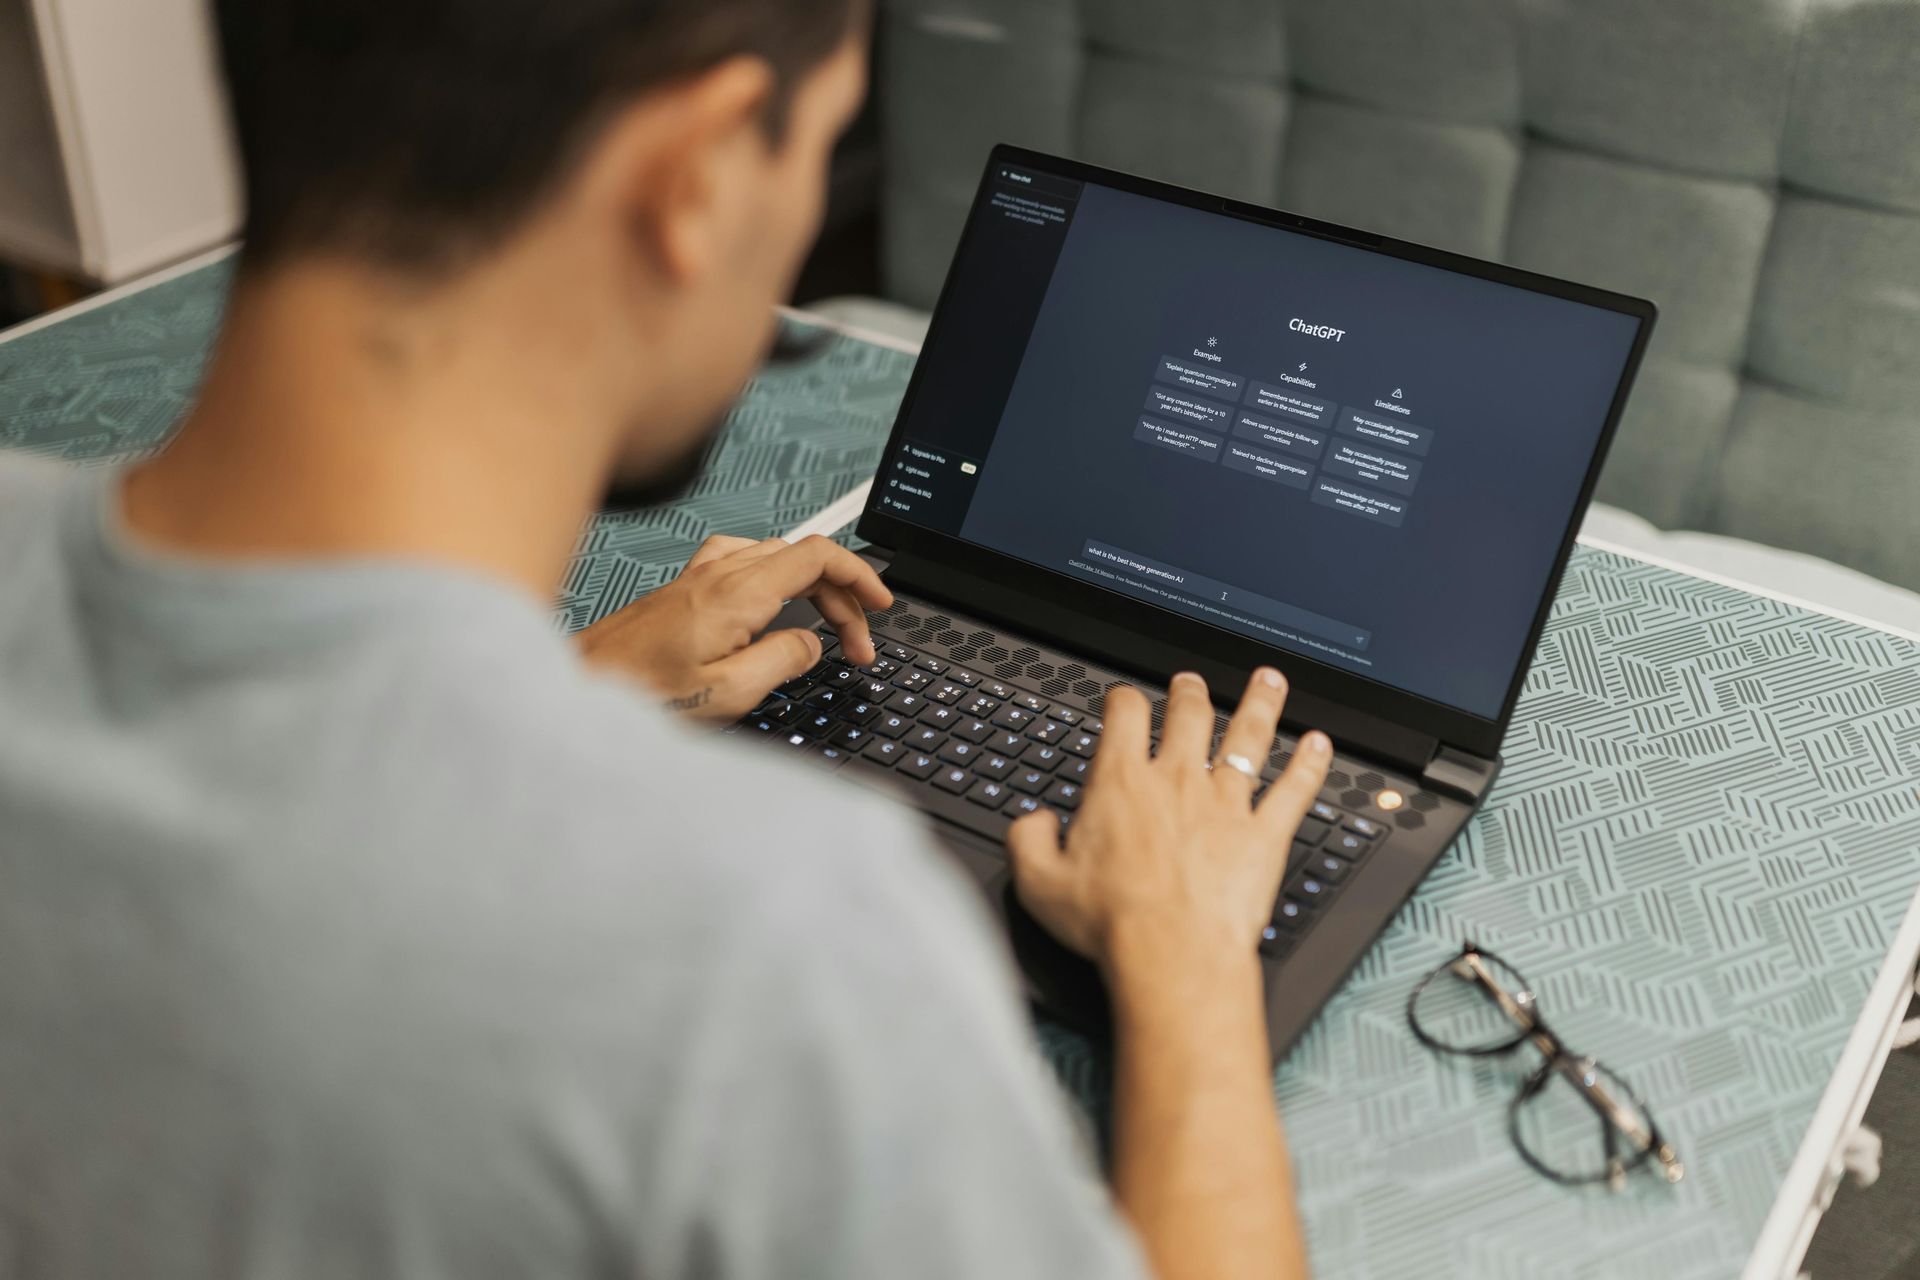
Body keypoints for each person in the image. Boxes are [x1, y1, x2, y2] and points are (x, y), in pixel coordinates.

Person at [0, 1, 1333, 1277]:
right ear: (695, 172)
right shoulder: (771, 940)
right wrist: (1190, 964)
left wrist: (567, 696)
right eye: (820, 142)